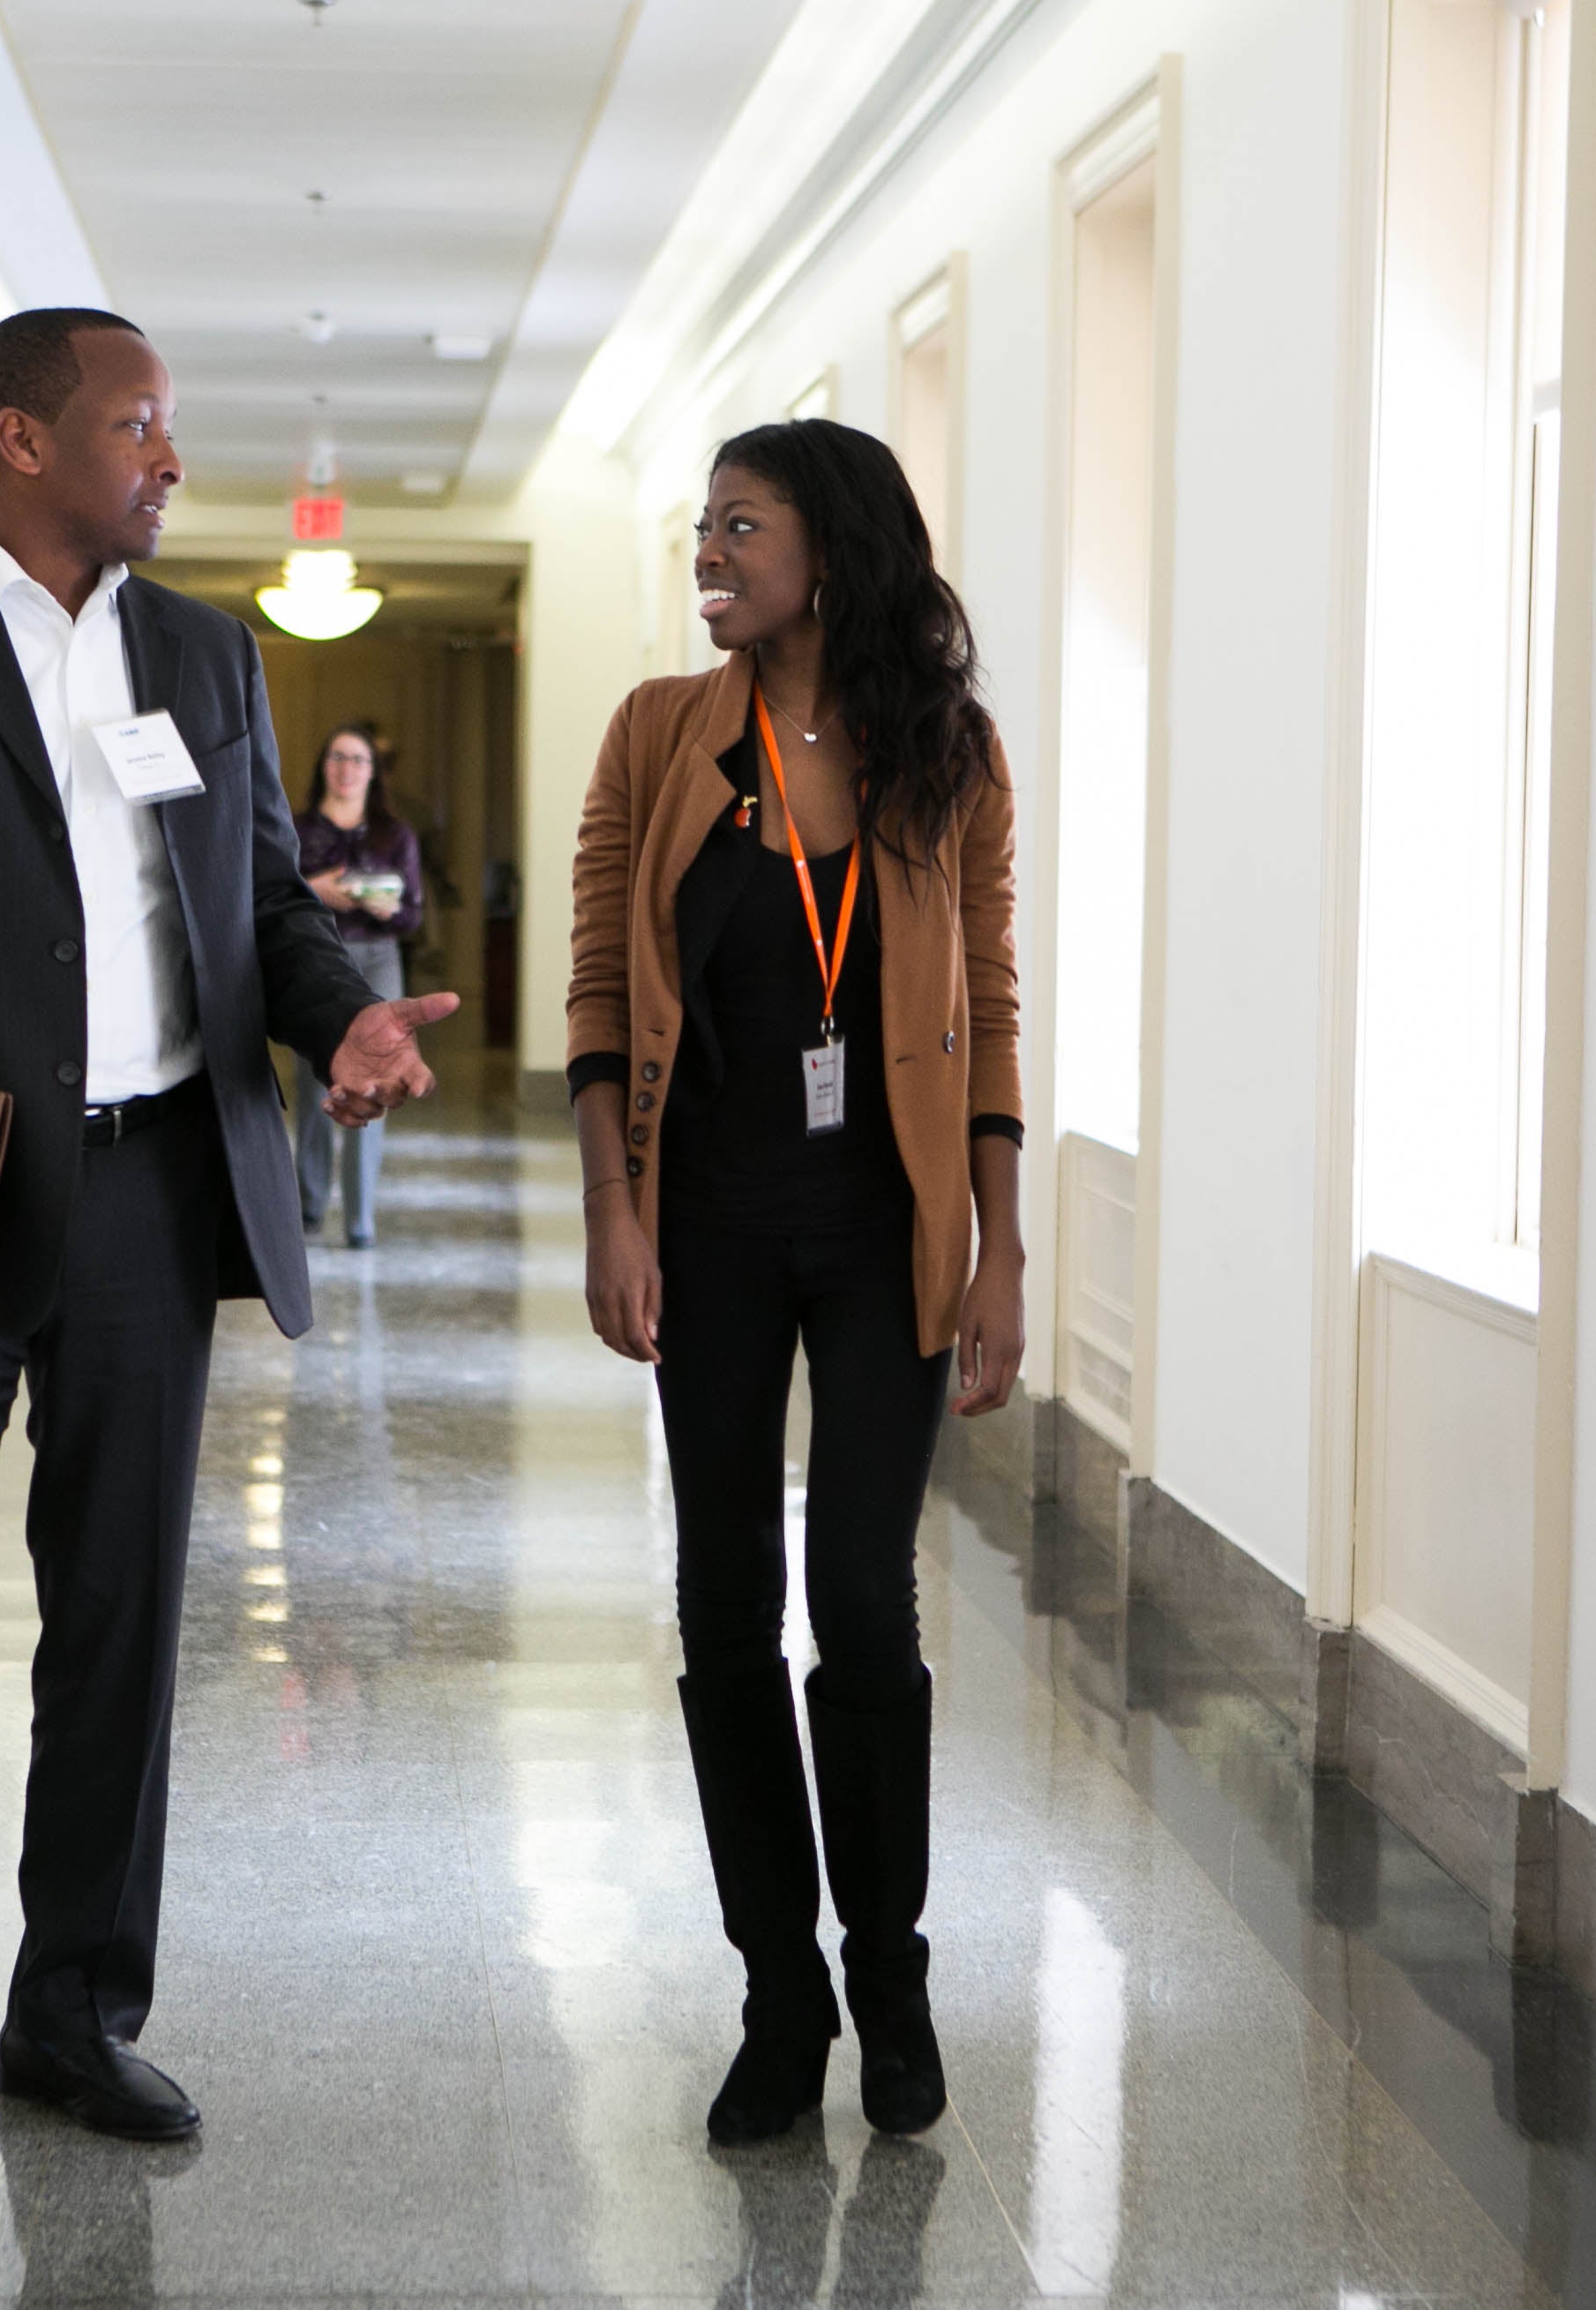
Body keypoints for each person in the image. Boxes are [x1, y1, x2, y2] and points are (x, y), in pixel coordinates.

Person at [0, 306, 460, 2209]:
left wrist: (344, 1025)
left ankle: (71, 2016)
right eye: (139, 426)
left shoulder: (208, 656)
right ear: (21, 443)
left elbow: (256, 918)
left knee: (127, 1629)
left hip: (157, 1199)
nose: (170, 460)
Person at [566, 416, 1024, 2148]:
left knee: (864, 1599)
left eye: (738, 526)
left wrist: (1004, 1246)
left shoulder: (946, 757)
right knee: (722, 1603)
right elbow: (603, 998)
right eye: (702, 525)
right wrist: (616, 1217)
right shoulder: (661, 738)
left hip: (887, 1229)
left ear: (826, 550)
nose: (709, 551)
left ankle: (891, 1976)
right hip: (715, 1230)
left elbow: (992, 1001)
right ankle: (781, 1997)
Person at [290, 723, 424, 1247]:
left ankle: (360, 1218)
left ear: (373, 772)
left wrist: (387, 908)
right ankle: (308, 1205)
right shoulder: (296, 828)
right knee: (316, 1084)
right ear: (324, 765)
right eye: (337, 757)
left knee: (376, 1082)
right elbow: (268, 899)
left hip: (378, 961)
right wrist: (313, 890)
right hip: (318, 961)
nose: (346, 768)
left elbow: (412, 916)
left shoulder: (396, 835)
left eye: (358, 759)